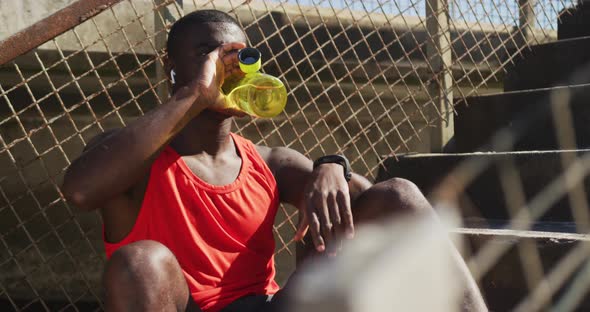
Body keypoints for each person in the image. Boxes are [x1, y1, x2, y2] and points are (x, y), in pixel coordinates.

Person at [61, 9, 487, 312]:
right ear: (171, 67)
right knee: (140, 261)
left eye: (238, 56)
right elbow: (81, 190)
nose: (226, 66)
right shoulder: (131, 157)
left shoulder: (270, 161)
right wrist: (195, 94)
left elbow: (373, 204)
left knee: (400, 192)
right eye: (207, 53)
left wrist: (332, 165)